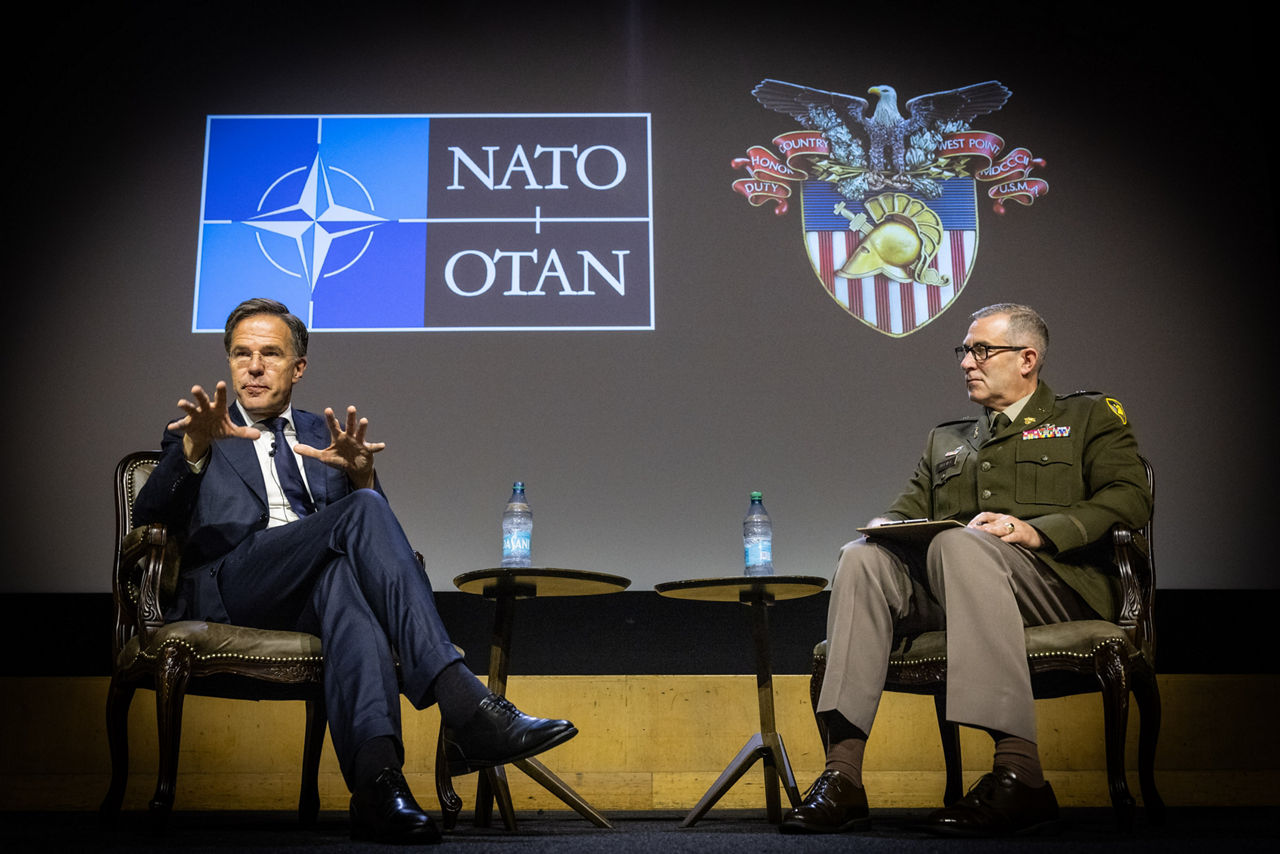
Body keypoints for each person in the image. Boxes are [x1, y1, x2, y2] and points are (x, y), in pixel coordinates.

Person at [134, 298, 577, 844]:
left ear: (298, 368)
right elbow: (150, 515)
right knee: (359, 521)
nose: (253, 366)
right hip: (234, 584)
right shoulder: (200, 431)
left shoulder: (322, 438)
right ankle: (465, 702)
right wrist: (194, 447)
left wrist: (364, 476)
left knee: (347, 588)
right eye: (241, 354)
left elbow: (376, 541)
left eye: (270, 354)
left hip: (311, 590)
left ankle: (378, 787)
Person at [781, 303, 1151, 837]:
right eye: (965, 351)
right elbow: (907, 510)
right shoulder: (948, 440)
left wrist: (1038, 530)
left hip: (1056, 586)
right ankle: (843, 777)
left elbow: (1129, 497)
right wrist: (887, 524)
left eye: (982, 350)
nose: (967, 362)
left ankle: (1021, 775)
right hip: (962, 583)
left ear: (1028, 359)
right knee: (860, 557)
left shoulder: (1087, 416)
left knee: (962, 544)